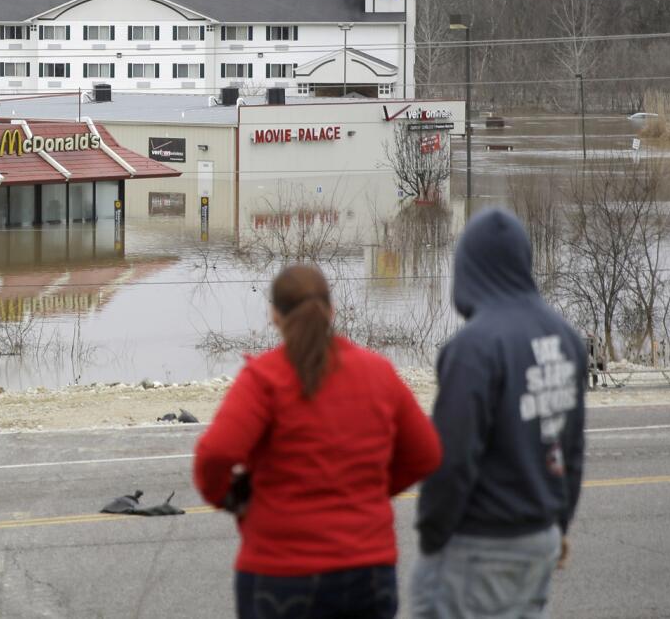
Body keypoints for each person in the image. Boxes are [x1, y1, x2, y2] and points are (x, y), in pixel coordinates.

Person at [194, 264, 442, 619]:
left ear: (274, 316)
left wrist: (227, 497)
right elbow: (426, 454)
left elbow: (215, 452)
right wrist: (372, 489)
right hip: (367, 570)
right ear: (332, 310)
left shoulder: (264, 378)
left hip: (281, 572)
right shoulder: (377, 372)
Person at [412, 208, 587, 618]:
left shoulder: (474, 347)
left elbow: (452, 458)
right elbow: (572, 449)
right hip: (539, 539)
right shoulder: (567, 338)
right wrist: (559, 523)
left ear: (468, 269)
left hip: (479, 544)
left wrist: (432, 534)